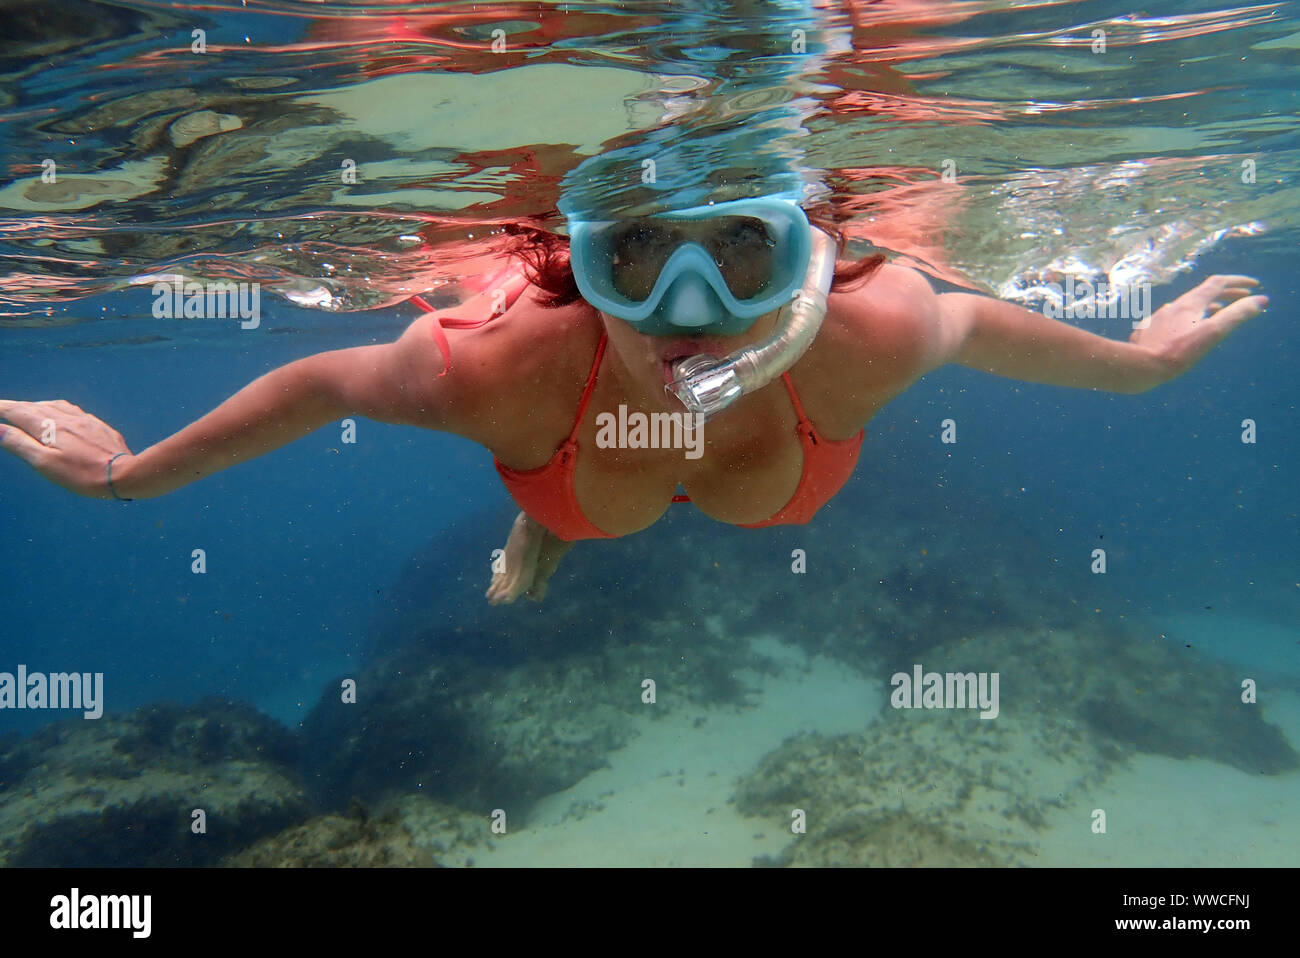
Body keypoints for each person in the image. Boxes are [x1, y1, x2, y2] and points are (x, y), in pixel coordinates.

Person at [0, 195, 1266, 606]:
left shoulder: (867, 331)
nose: (693, 314)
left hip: (766, 470)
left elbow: (987, 326)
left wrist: (1143, 363)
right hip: (577, 463)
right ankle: (547, 514)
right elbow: (314, 383)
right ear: (575, 259)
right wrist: (125, 476)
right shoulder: (497, 366)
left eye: (746, 255)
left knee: (714, 495)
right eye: (639, 255)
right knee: (596, 494)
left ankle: (557, 510)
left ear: (812, 255)